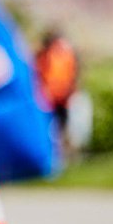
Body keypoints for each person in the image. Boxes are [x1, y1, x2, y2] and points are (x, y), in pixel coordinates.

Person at [35, 28, 79, 156]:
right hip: (49, 98)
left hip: (63, 98)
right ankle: (53, 153)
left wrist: (72, 90)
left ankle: (63, 153)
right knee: (50, 127)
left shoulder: (67, 55)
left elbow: (74, 73)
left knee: (62, 127)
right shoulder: (45, 55)